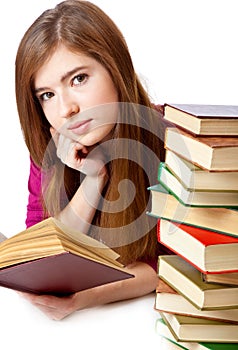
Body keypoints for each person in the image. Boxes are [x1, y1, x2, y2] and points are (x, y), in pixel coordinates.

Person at [15, 0, 172, 320]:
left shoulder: (175, 139)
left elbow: (175, 263)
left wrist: (83, 298)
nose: (66, 108)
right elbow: (43, 256)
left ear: (115, 68)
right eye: (47, 94)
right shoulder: (53, 149)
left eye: (78, 79)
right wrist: (93, 179)